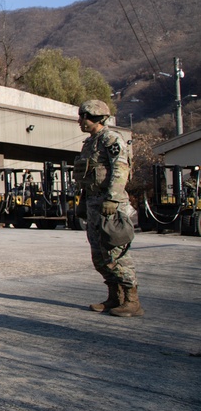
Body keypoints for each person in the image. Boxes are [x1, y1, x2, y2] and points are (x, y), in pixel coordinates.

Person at [73, 99, 144, 317]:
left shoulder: (111, 140)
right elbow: (87, 177)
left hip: (110, 206)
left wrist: (112, 200)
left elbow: (120, 170)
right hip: (94, 205)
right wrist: (84, 203)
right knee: (100, 255)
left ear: (92, 118)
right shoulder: (90, 143)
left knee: (116, 253)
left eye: (82, 117)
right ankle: (115, 297)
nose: (80, 121)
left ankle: (132, 301)